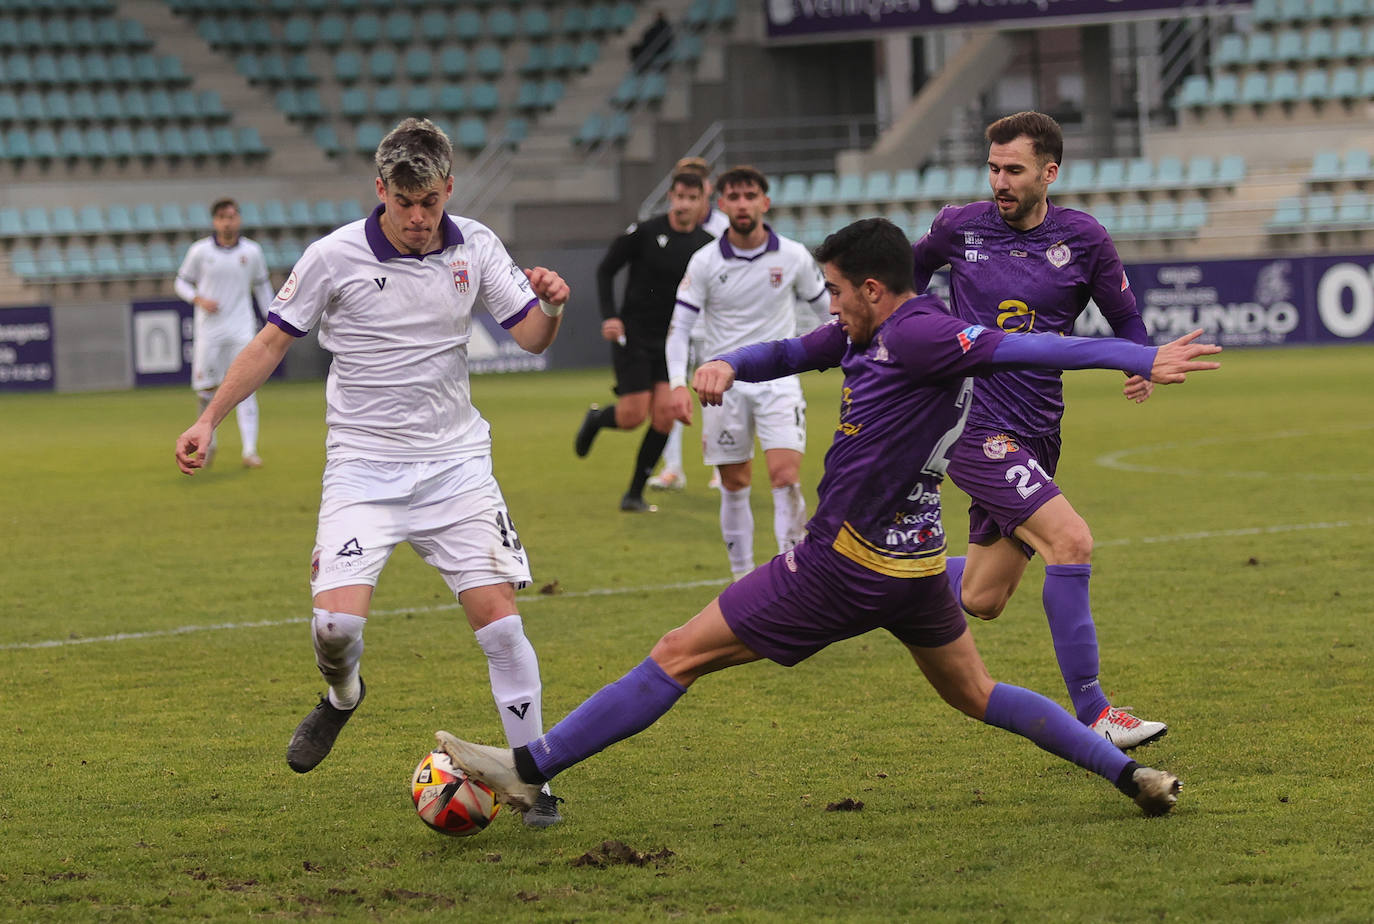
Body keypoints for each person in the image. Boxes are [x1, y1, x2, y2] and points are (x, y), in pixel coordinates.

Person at [433, 218, 1219, 822]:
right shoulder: (865, 334)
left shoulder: (919, 331)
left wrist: (1137, 357)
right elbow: (792, 349)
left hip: (839, 566)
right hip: (911, 569)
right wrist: (730, 363)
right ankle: (1132, 777)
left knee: (676, 655)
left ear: (874, 289)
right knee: (978, 691)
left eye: (838, 290)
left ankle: (528, 768)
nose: (831, 304)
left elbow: (1028, 346)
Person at [174, 118, 570, 827]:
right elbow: (269, 344)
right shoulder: (334, 256)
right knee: (333, 630)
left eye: (431, 203)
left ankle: (534, 784)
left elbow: (534, 338)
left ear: (449, 188)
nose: (418, 219)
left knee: (502, 629)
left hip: (456, 468)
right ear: (380, 189)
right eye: (404, 203)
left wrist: (555, 306)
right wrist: (209, 420)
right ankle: (343, 698)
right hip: (363, 469)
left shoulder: (475, 244)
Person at [911, 111, 1167, 750]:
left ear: (1049, 173)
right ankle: (1097, 711)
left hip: (1038, 428)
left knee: (983, 597)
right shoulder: (957, 227)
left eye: (1014, 170)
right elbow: (905, 286)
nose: (999, 180)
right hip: (970, 422)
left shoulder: (1083, 239)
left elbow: (1126, 319)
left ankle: (884, 564)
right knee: (1071, 541)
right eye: (993, 167)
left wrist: (1140, 366)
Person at [666, 165, 830, 580]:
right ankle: (741, 582)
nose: (742, 204)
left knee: (785, 477)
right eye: (734, 197)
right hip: (723, 387)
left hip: (780, 384)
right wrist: (676, 384)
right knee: (734, 484)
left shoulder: (792, 255)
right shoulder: (703, 261)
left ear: (765, 202)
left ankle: (794, 582)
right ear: (721, 205)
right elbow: (680, 328)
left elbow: (829, 312)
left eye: (750, 195)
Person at [575, 171, 713, 511]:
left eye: (692, 198)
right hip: (633, 335)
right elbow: (606, 269)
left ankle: (633, 494)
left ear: (702, 203)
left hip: (671, 341)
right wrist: (611, 316)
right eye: (679, 196)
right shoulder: (645, 232)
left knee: (665, 417)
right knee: (633, 416)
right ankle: (597, 419)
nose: (684, 204)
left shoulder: (707, 246)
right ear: (671, 196)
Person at [174, 197, 276, 469]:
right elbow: (180, 283)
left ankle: (250, 450)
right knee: (205, 389)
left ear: (238, 219)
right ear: (214, 221)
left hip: (241, 328)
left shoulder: (252, 252)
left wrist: (274, 320)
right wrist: (199, 299)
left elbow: (263, 289)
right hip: (209, 331)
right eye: (222, 217)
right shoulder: (200, 251)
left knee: (246, 387)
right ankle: (209, 442)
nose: (227, 222)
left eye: (231, 216)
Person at [649, 156, 728, 493]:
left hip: (714, 325)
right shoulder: (666, 227)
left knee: (716, 393)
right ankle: (673, 468)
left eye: (697, 183)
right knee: (673, 393)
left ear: (706, 189)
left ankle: (722, 466)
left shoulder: (724, 226)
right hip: (678, 324)